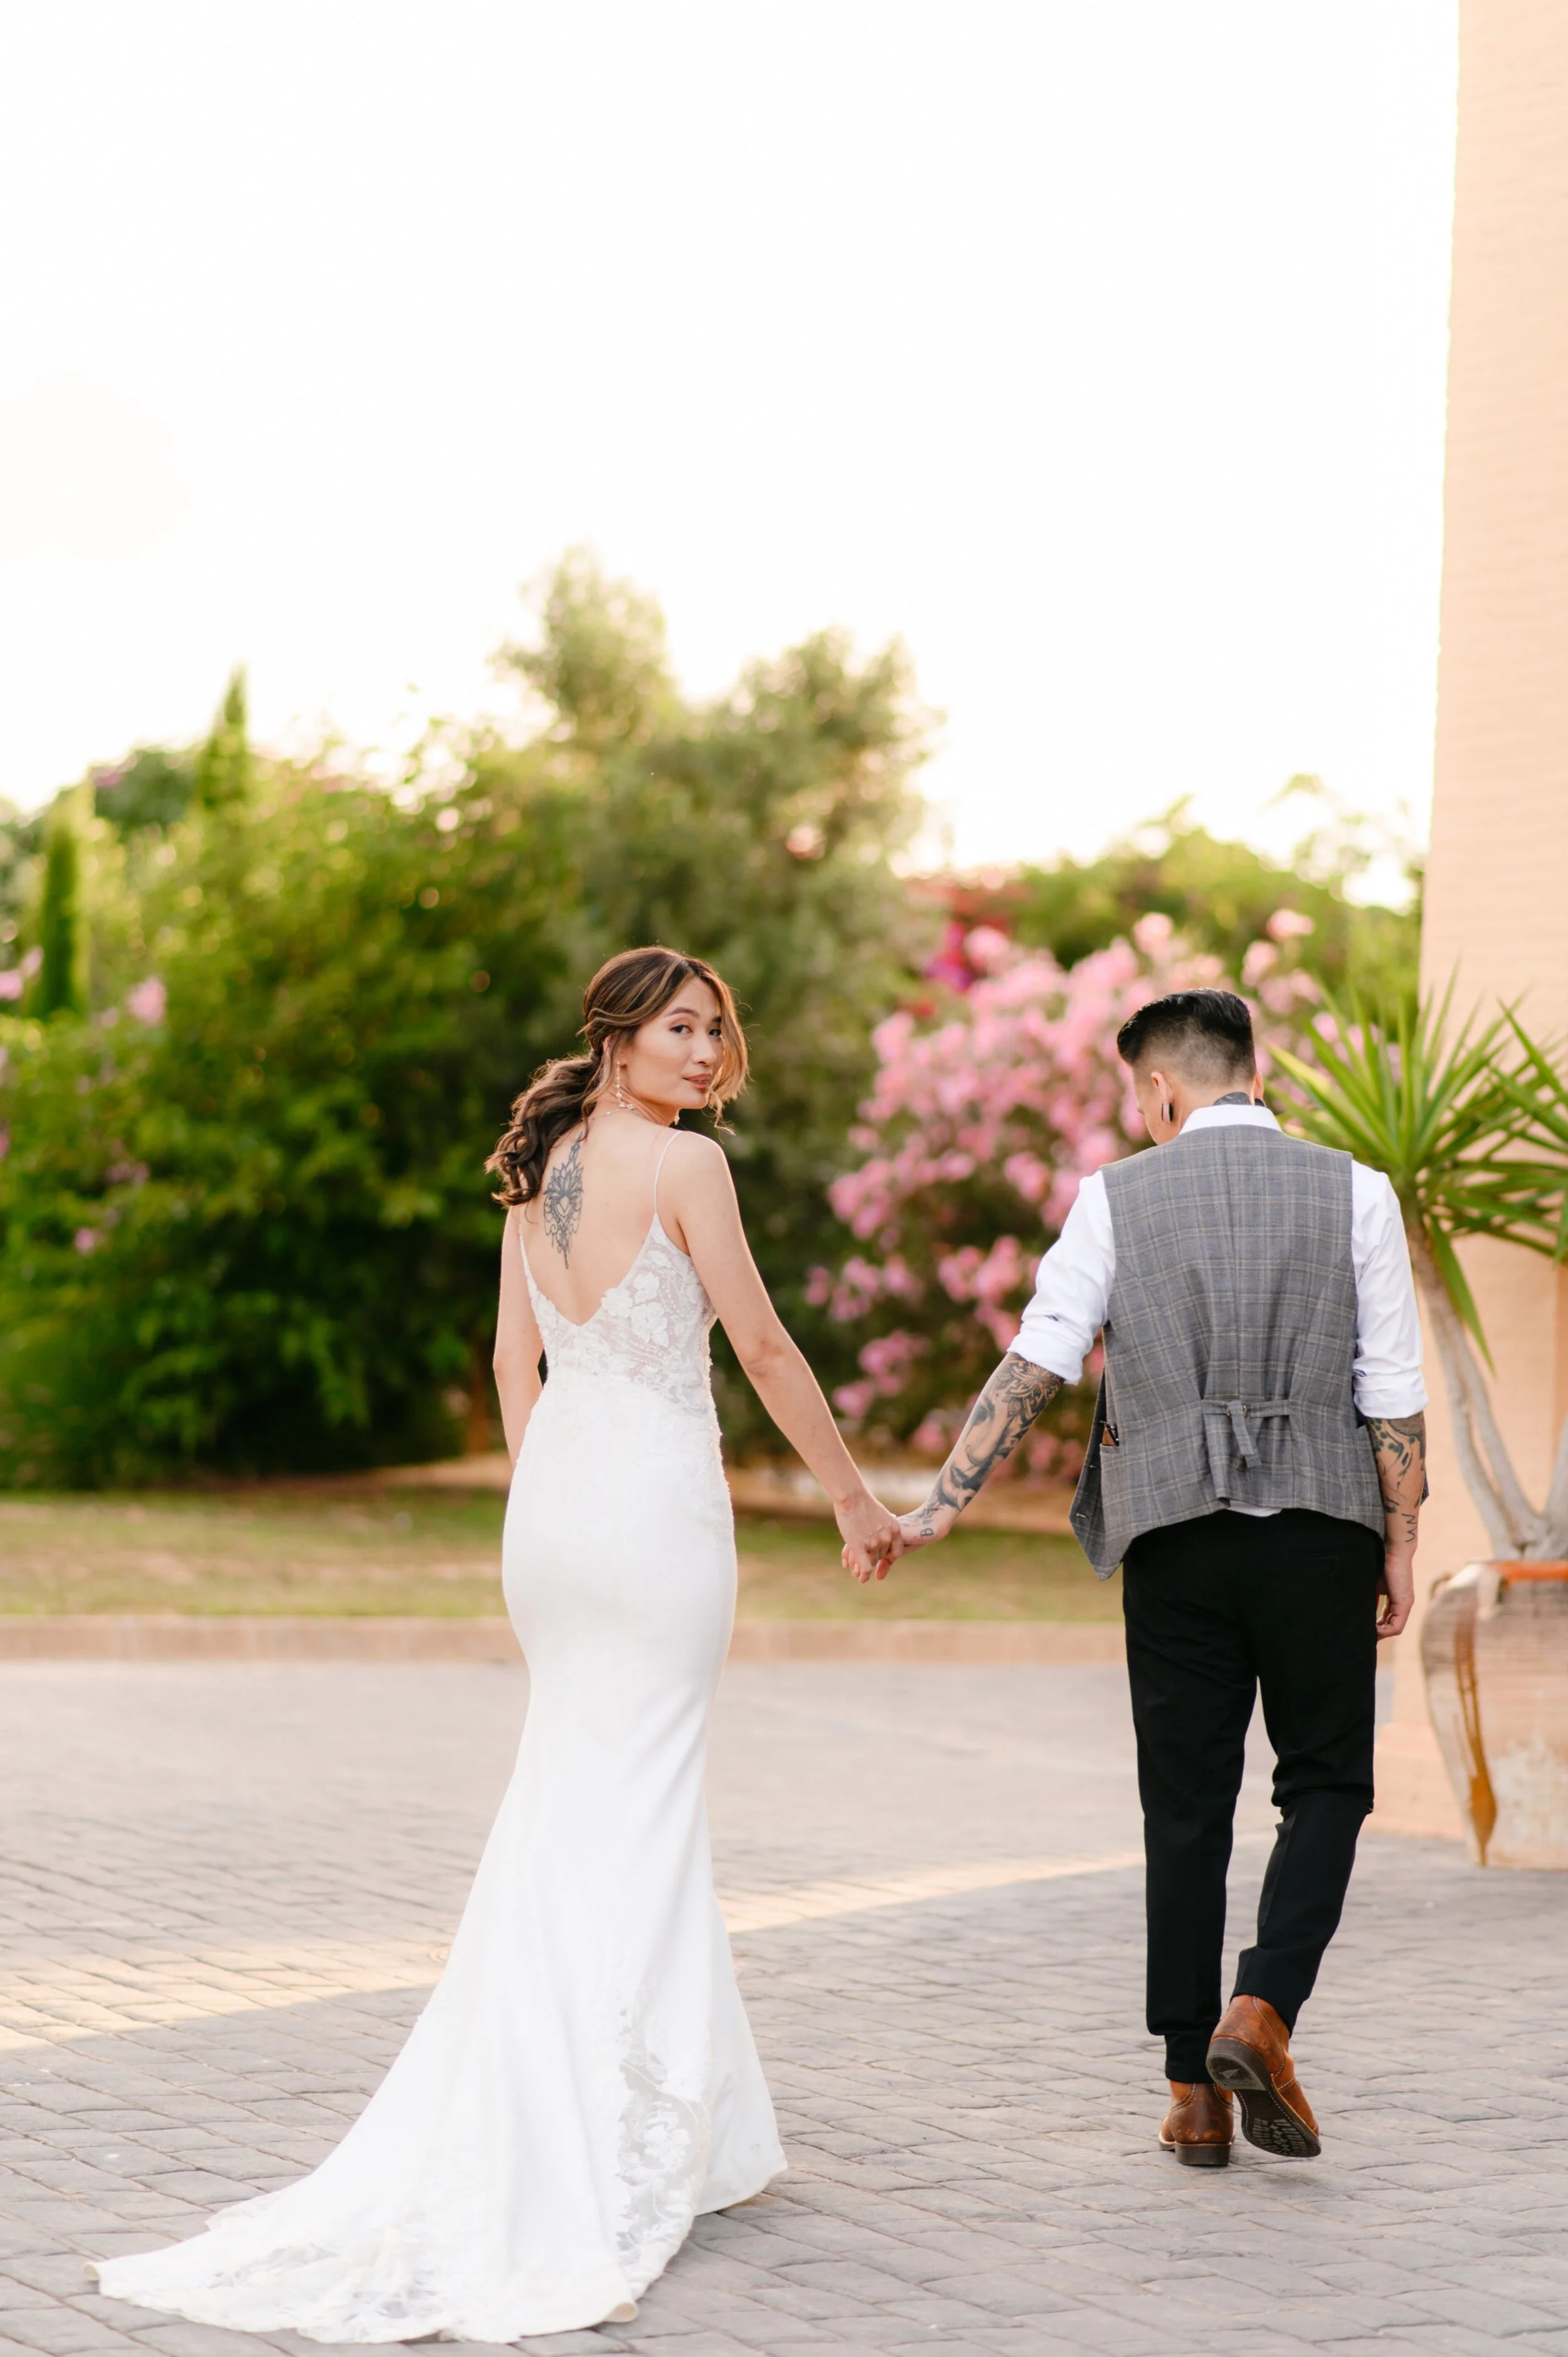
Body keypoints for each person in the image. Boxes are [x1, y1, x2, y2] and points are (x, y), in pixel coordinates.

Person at [95, 945, 902, 2341]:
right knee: (644, 1807)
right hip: (650, 1517)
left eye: (717, 1027)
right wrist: (850, 1494)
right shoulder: (685, 1169)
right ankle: (604, 2133)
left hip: (561, 1518)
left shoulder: (538, 1170)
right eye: (681, 1027)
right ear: (617, 1035)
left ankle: (692, 2122)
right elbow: (763, 1351)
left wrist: (541, 1495)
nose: (707, 1052)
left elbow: (509, 1364)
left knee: (586, 1798)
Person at [872, 988, 1426, 2170]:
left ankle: (1191, 2089)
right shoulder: (1358, 1190)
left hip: (1175, 1538)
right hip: (1321, 1529)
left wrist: (942, 1502)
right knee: (1326, 1782)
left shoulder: (1115, 1195)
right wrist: (1403, 1538)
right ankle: (1263, 2007)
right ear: (1252, 1072)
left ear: (1161, 1089)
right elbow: (1391, 1389)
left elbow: (1040, 1360)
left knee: (1185, 1809)